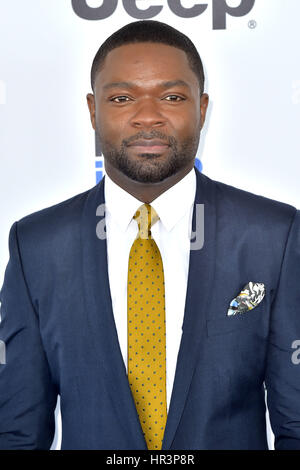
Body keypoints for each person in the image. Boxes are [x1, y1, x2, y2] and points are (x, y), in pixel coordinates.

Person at [0, 19, 300, 451]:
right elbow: (16, 434)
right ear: (92, 110)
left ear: (201, 108)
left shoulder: (273, 235)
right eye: (122, 98)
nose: (148, 117)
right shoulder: (38, 246)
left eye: (172, 96)